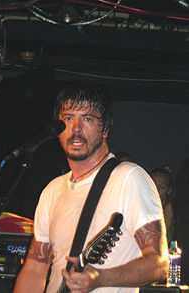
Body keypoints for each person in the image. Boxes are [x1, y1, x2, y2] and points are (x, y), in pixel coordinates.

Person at [13, 84, 169, 293]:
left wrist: (101, 277)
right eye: (68, 118)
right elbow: (35, 268)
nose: (76, 129)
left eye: (87, 119)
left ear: (105, 129)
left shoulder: (128, 178)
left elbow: (159, 264)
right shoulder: (52, 190)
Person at [150, 166, 175, 242]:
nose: (156, 190)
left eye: (161, 187)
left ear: (169, 190)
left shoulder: (168, 210)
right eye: (154, 185)